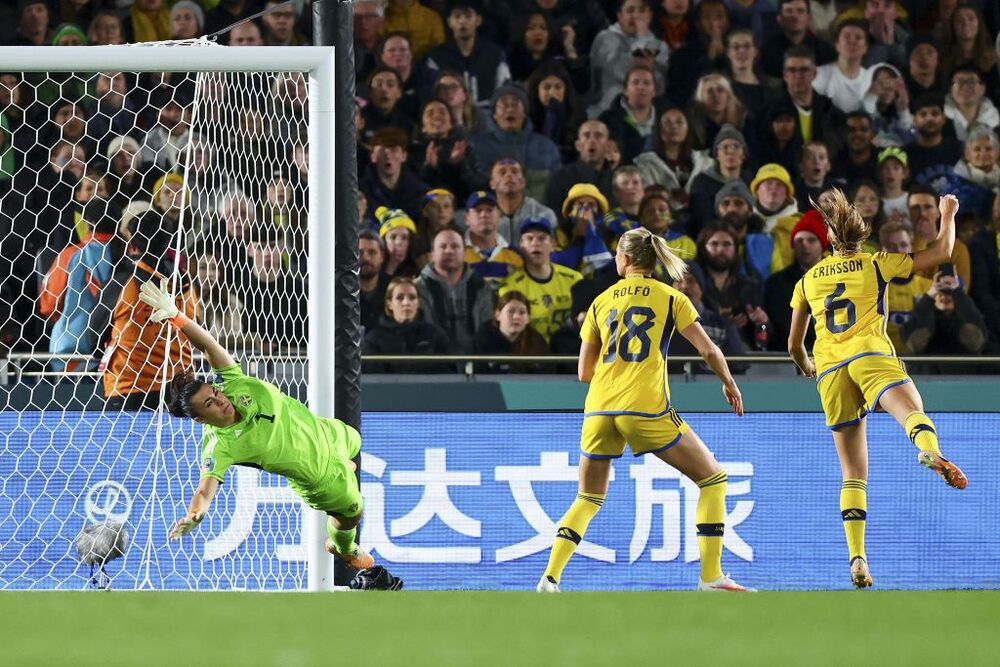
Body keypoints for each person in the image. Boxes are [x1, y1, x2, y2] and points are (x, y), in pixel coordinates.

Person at [536, 226, 752, 593]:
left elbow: (583, 372)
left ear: (626, 258)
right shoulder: (671, 298)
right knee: (713, 480)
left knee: (588, 497)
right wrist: (728, 382)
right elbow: (708, 349)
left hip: (599, 408)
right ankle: (712, 577)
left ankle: (550, 578)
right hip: (645, 408)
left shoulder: (601, 302)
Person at [787, 189, 968, 590]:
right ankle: (928, 449)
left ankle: (857, 558)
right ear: (860, 235)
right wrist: (947, 213)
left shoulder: (807, 280)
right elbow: (941, 252)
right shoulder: (875, 264)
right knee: (910, 409)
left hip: (830, 371)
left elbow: (793, 345)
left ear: (829, 241)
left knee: (852, 473)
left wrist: (807, 366)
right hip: (869, 353)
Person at [136, 279, 375, 573]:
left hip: (327, 432)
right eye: (210, 405)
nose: (220, 401)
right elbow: (205, 490)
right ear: (200, 419)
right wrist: (195, 514)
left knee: (356, 441)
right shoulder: (220, 446)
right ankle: (343, 547)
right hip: (320, 477)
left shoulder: (234, 384)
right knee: (353, 514)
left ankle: (344, 464)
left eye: (215, 394)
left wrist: (176, 316)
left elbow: (208, 345)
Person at [363, 276, 452, 372]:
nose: (406, 303)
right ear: (389, 304)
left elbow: (449, 374)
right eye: (400, 298)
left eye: (412, 297)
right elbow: (372, 380)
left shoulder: (435, 334)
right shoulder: (374, 339)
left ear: (418, 303)